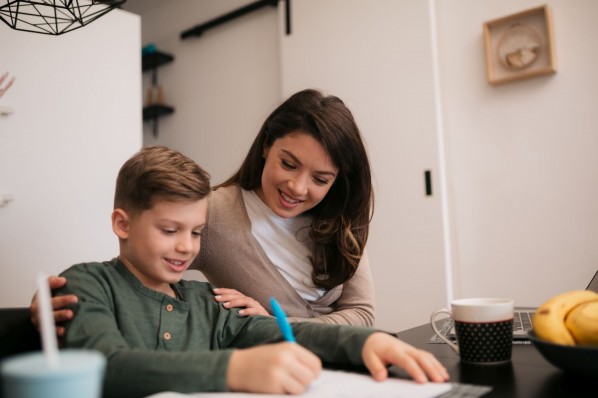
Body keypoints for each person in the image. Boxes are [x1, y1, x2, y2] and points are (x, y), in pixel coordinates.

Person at [53, 145, 448, 397]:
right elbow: (105, 366)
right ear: (123, 224)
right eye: (169, 230)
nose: (186, 247)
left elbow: (276, 331)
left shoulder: (208, 302)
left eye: (197, 232)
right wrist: (235, 368)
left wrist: (364, 343)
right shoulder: (87, 284)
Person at [33, 89, 376, 332]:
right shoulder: (213, 214)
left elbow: (361, 314)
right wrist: (64, 295)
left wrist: (276, 325)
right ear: (267, 144)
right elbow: (133, 271)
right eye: (288, 164)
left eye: (320, 178)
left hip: (344, 366)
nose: (298, 188)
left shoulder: (341, 219)